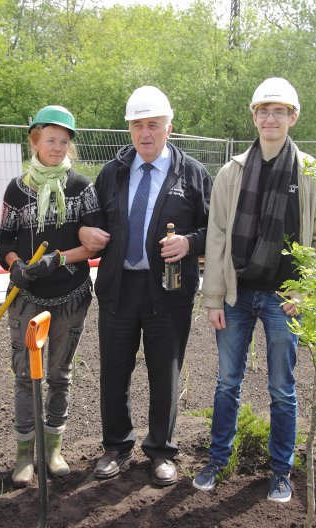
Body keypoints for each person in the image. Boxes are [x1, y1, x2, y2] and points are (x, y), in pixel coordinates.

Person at [192, 78, 316, 502]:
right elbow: (217, 236)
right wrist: (213, 297)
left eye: (279, 112)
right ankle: (218, 460)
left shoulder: (311, 172)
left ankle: (281, 471)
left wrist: (307, 291)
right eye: (263, 111)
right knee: (227, 383)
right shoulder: (231, 171)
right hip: (237, 295)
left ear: (293, 118)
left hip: (285, 300)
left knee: (281, 388)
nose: (270, 119)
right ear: (253, 117)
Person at [79, 86, 212, 486]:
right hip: (119, 288)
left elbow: (216, 230)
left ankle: (161, 452)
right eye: (137, 125)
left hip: (169, 292)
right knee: (114, 372)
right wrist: (86, 229)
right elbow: (90, 217)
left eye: (153, 124)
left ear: (169, 128)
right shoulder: (113, 171)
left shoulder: (192, 174)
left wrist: (190, 242)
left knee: (164, 373)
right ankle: (117, 447)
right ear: (130, 130)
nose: (145, 133)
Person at [0, 105, 101, 487]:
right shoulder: (17, 188)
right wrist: (14, 264)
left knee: (59, 375)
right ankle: (24, 456)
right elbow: (3, 239)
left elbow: (92, 245)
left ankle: (53, 449)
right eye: (50, 139)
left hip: (70, 296)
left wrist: (57, 259)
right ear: (35, 140)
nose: (57, 147)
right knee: (25, 376)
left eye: (64, 141)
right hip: (27, 297)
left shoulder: (82, 188)